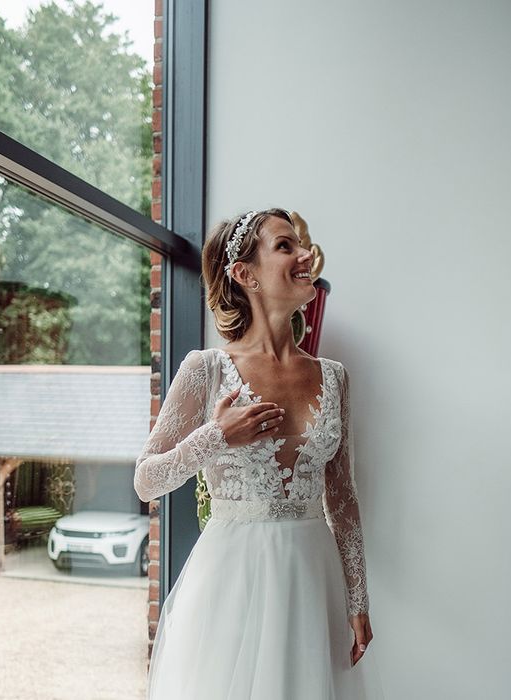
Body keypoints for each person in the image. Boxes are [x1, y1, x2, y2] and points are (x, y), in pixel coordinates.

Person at [134, 208, 384, 699]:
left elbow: (343, 497)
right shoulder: (205, 369)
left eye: (301, 245)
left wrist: (358, 600)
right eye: (285, 246)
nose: (305, 254)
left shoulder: (334, 376)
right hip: (233, 584)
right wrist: (215, 436)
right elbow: (146, 480)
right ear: (245, 275)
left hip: (313, 583)